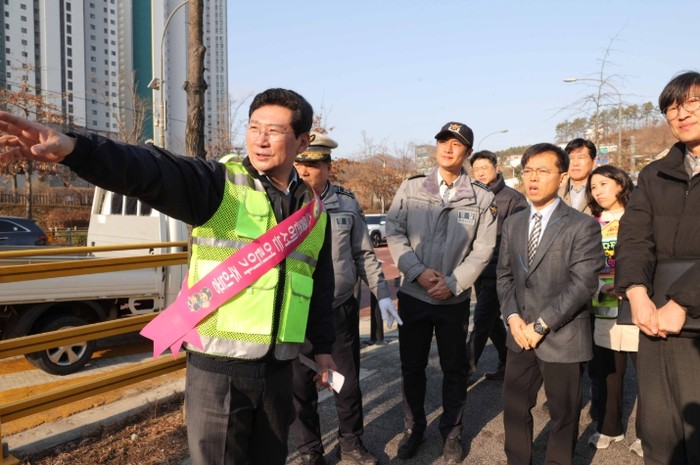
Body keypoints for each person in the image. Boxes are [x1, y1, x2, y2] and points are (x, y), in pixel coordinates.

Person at [0, 88, 337, 465]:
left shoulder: (313, 213)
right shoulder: (220, 185)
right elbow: (148, 170)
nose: (260, 139)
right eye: (253, 127)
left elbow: (320, 286)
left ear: (302, 141)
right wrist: (75, 149)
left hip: (279, 370)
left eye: (273, 131)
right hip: (219, 370)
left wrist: (323, 349)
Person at [386, 122, 497, 464]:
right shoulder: (411, 188)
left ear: (468, 152)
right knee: (412, 367)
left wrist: (453, 282)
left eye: (456, 144)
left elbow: (483, 250)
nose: (448, 149)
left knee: (454, 368)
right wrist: (417, 271)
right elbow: (394, 231)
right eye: (443, 142)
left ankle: (452, 433)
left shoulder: (482, 197)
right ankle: (414, 428)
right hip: (414, 296)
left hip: (454, 300)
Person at [290, 133, 400, 465]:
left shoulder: (346, 204)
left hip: (337, 309)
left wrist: (382, 294)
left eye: (312, 166)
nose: (304, 172)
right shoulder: (283, 202)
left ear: (328, 167)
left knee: (346, 383)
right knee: (299, 389)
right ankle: (310, 450)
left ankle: (351, 443)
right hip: (295, 312)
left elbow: (363, 254)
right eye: (299, 164)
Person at [497, 143, 603, 465]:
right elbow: (504, 275)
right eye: (528, 170)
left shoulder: (581, 225)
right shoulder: (513, 223)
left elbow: (583, 284)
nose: (533, 178)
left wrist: (541, 325)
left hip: (562, 336)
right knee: (514, 407)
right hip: (519, 335)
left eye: (543, 171)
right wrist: (512, 317)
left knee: (563, 415)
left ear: (562, 176)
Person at [615, 71, 700, 465]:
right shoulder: (653, 174)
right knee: (659, 432)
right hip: (655, 320)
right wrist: (636, 293)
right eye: (671, 108)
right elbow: (633, 238)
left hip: (684, 312)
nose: (681, 114)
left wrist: (683, 302)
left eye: (692, 103)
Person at [585, 165, 642, 457]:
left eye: (603, 184)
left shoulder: (640, 218)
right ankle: (609, 427)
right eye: (593, 187)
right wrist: (598, 287)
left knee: (647, 376)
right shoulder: (591, 224)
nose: (597, 191)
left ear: (620, 184)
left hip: (637, 306)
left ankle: (648, 434)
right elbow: (585, 266)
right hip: (603, 307)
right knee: (608, 372)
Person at [466, 150, 527, 381]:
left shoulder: (513, 199)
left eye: (485, 167)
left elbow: (518, 237)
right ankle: (506, 361)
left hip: (499, 270)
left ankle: (464, 370)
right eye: (476, 169)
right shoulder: (470, 196)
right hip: (476, 269)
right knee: (491, 322)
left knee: (482, 320)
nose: (480, 172)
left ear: (496, 168)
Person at [558, 138, 597, 215]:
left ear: (593, 162)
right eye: (570, 158)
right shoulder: (555, 194)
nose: (575, 163)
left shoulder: (600, 192)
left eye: (581, 158)